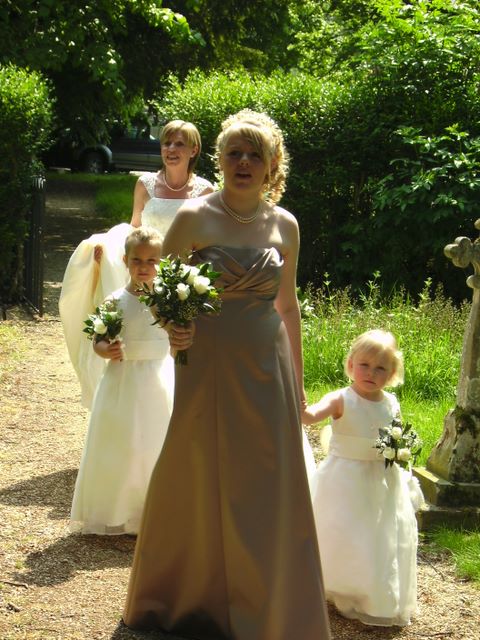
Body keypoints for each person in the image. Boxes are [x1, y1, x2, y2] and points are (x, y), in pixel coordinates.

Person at [122, 109, 331, 640]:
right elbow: (161, 287)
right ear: (219, 159)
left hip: (267, 362)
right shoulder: (194, 217)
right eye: (234, 152)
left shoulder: (286, 225)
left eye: (254, 154)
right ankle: (192, 595)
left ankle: (267, 599)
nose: (243, 162)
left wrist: (298, 382)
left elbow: (288, 306)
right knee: (196, 464)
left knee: (265, 475)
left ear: (272, 165)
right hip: (206, 360)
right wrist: (175, 326)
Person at [59, 120, 214, 409]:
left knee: (176, 348)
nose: (171, 149)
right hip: (144, 274)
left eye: (179, 144)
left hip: (181, 282)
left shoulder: (205, 192)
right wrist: (107, 249)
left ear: (194, 150)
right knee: (138, 342)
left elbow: (206, 244)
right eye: (166, 143)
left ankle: (175, 408)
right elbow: (134, 231)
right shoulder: (145, 185)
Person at [303, 329, 424, 627]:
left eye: (381, 368)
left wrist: (400, 455)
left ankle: (370, 592)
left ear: (392, 373)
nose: (371, 373)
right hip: (343, 479)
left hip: (381, 480)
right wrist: (298, 401)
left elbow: (394, 435)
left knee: (376, 535)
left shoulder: (391, 402)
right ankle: (336, 582)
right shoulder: (340, 399)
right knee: (341, 530)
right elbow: (311, 416)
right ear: (350, 365)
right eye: (364, 365)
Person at [70, 227, 174, 535]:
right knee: (123, 442)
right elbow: (98, 340)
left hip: (159, 378)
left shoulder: (167, 300)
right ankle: (120, 510)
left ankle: (154, 511)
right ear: (125, 261)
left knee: (155, 442)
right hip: (123, 380)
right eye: (137, 260)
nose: (144, 267)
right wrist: (106, 349)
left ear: (161, 262)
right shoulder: (114, 301)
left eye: (152, 260)